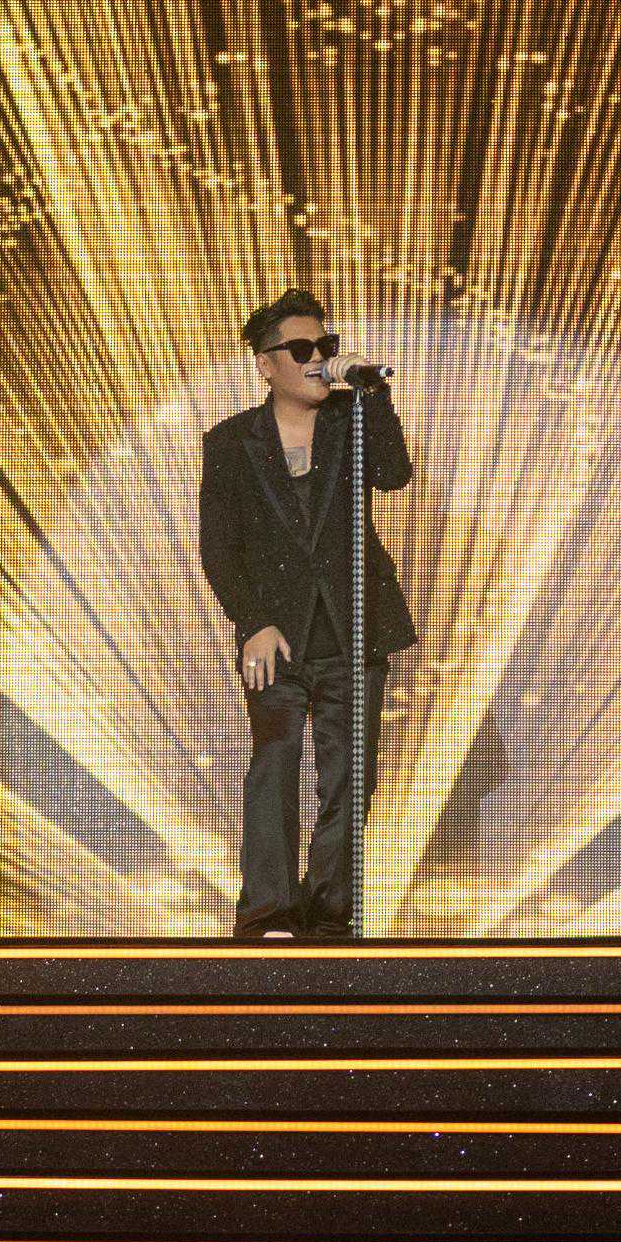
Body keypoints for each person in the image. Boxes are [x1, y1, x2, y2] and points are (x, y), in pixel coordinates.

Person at [194, 288, 418, 938]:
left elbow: (394, 474)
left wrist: (372, 391)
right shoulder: (231, 441)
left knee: (351, 778)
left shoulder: (353, 420)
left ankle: (329, 914)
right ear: (266, 364)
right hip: (276, 636)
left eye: (326, 345)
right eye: (301, 349)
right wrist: (252, 621)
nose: (317, 358)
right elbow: (220, 545)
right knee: (274, 764)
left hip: (353, 627)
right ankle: (269, 910)